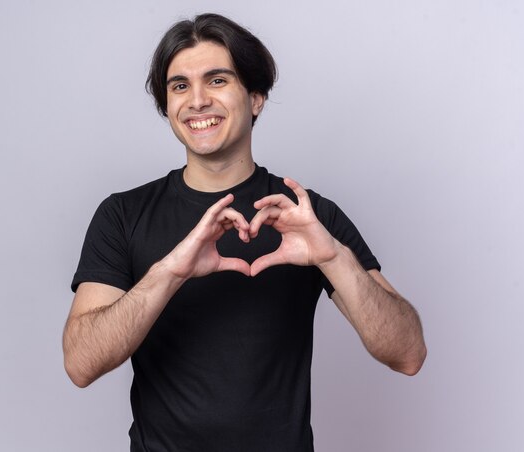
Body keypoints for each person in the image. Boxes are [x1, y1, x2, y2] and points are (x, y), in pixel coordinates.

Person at [63, 13, 426, 452]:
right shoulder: (123, 214)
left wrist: (334, 258)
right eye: (180, 86)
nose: (196, 101)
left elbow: (407, 353)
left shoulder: (309, 216)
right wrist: (169, 272)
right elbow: (81, 364)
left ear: (255, 98)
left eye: (217, 81)